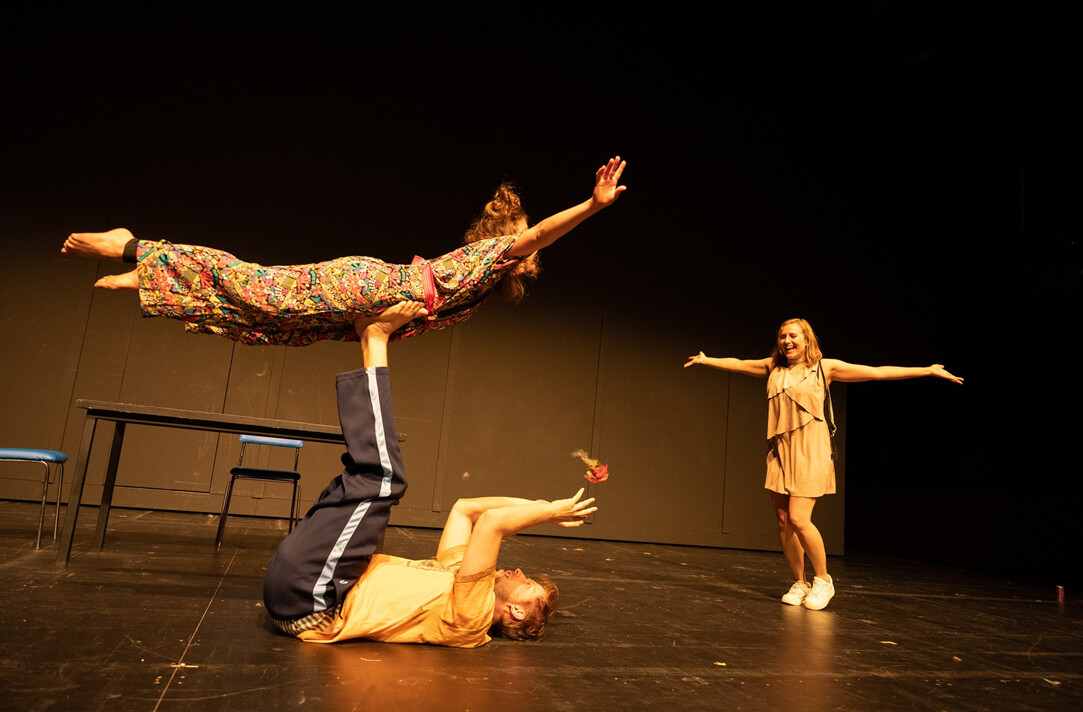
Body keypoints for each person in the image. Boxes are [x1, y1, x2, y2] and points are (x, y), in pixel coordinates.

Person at [262, 301, 597, 646]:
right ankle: (371, 338)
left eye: (526, 584)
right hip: (309, 584)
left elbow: (493, 523)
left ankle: (374, 339)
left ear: (517, 612)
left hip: (313, 601)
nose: (519, 573)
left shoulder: (471, 617)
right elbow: (466, 510)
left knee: (381, 479)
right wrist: (541, 505)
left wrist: (547, 513)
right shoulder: (458, 579)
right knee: (370, 482)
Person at [60, 157, 627, 345]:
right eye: (525, 240)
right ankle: (136, 248)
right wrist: (593, 205)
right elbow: (540, 233)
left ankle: (153, 276)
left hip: (360, 312)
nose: (531, 249)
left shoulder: (479, 288)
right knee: (261, 289)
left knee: (267, 326)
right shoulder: (494, 255)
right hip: (369, 287)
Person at [684, 318, 962, 611]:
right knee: (783, 519)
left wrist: (927, 370)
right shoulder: (773, 367)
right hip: (780, 450)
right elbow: (738, 364)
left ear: (807, 339)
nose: (786, 341)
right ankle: (800, 582)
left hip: (811, 449)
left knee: (799, 517)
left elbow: (877, 372)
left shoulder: (824, 368)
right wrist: (706, 360)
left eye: (793, 336)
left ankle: (823, 580)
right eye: (782, 336)